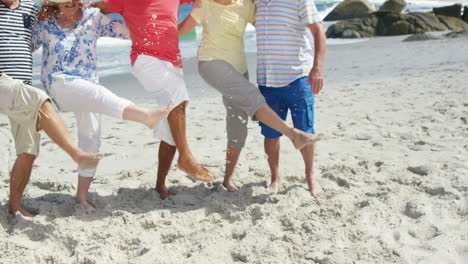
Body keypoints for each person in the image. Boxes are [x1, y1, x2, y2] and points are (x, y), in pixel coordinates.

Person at [33, 0, 173, 211]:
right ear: (55, 3)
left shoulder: (93, 17)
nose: (70, 2)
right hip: (59, 83)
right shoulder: (44, 23)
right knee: (97, 93)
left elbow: (130, 32)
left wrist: (143, 16)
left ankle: (81, 197)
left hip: (89, 86)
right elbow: (20, 42)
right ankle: (145, 116)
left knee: (91, 138)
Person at [178, 0, 321, 192]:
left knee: (238, 125)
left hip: (248, 70)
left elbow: (269, 26)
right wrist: (146, 35)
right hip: (214, 63)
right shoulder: (205, 3)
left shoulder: (247, 4)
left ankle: (228, 179)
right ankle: (292, 138)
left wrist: (308, 61)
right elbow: (178, 31)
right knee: (257, 104)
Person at [90, 0, 213, 199]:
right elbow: (93, 8)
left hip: (173, 61)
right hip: (145, 59)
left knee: (171, 123)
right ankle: (186, 157)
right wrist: (55, 8)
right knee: (178, 100)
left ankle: (160, 185)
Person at [0, 73, 102, 216]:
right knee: (39, 100)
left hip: (21, 104)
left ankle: (14, 207)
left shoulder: (30, 48)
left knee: (27, 153)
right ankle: (77, 154)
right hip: (9, 86)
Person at [254, 0, 326, 197]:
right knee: (270, 133)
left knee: (304, 130)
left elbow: (318, 31)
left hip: (297, 76)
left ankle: (310, 176)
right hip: (267, 79)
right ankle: (275, 178)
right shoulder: (255, 2)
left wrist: (317, 68)